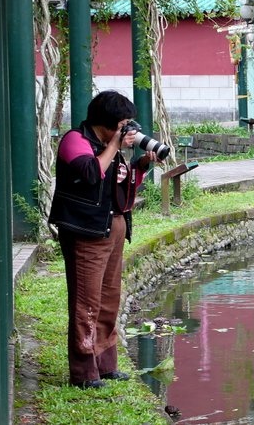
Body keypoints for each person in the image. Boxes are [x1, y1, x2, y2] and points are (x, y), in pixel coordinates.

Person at [49, 91, 158, 389]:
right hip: (86, 231)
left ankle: (106, 365)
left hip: (114, 227)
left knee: (109, 300)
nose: (128, 128)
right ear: (108, 124)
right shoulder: (76, 140)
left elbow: (119, 186)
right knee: (87, 303)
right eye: (123, 123)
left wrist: (140, 166)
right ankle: (84, 373)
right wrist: (113, 146)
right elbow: (90, 173)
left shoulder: (109, 146)